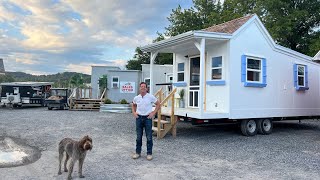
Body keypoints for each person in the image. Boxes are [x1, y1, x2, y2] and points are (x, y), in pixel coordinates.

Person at [131, 82, 160, 160]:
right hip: (139, 118)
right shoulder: (137, 98)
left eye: (144, 87)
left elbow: (158, 104)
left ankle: (149, 153)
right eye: (141, 86)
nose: (143, 88)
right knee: (138, 137)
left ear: (147, 88)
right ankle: (137, 153)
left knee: (149, 137)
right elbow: (133, 105)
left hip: (148, 118)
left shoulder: (150, 97)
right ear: (140, 88)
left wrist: (153, 113)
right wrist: (134, 112)